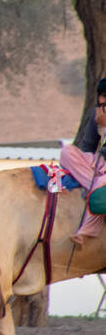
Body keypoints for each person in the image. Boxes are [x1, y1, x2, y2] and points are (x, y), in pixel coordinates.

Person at [63, 77, 106, 247]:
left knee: (101, 184)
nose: (103, 101)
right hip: (100, 163)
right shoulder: (96, 113)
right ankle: (94, 184)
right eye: (102, 96)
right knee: (67, 152)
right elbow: (87, 147)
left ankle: (85, 233)